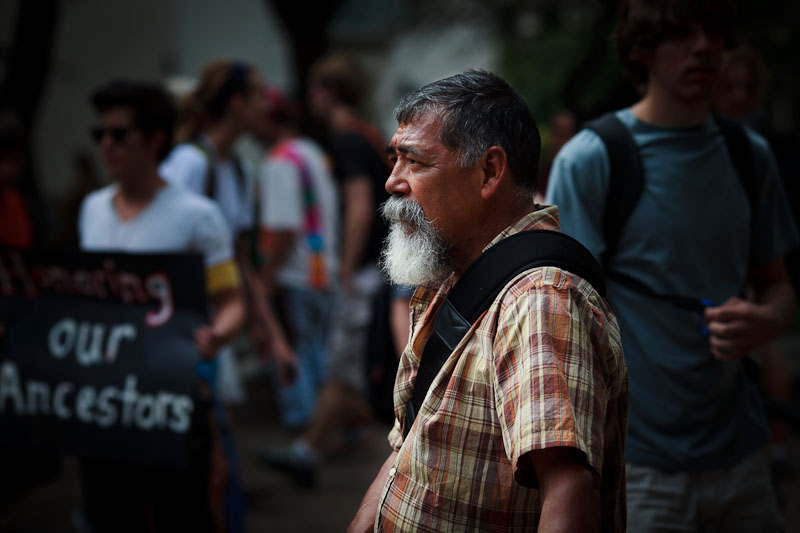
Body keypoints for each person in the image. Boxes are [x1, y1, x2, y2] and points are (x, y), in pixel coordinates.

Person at [546, 1, 799, 531]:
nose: (703, 46)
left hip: (743, 457)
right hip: (638, 468)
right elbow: (562, 325)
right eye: (681, 33)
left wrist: (766, 321)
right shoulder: (592, 160)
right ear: (643, 48)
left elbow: (779, 289)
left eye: (712, 29)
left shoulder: (750, 157)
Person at [348, 70, 628, 532]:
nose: (392, 182)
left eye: (415, 162)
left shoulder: (539, 299)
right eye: (394, 159)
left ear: (489, 171)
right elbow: (409, 448)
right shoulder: (454, 272)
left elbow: (570, 490)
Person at [78, 79, 246, 532]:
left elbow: (231, 302)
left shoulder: (196, 215)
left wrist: (218, 336)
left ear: (154, 139)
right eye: (100, 135)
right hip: (105, 400)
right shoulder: (91, 209)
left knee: (182, 513)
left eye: (118, 134)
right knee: (112, 513)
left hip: (172, 397)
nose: (106, 146)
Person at [258, 54, 394, 486]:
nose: (310, 99)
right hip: (377, 267)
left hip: (366, 271)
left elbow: (358, 208)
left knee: (340, 365)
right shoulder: (364, 135)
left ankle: (306, 451)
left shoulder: (348, 140)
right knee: (348, 366)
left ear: (328, 93)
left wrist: (347, 268)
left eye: (315, 90)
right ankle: (350, 433)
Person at [254, 85, 339, 428]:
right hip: (323, 271)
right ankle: (325, 424)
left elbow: (285, 230)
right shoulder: (312, 153)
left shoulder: (278, 162)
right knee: (319, 352)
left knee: (295, 353)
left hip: (295, 275)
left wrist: (264, 278)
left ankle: (303, 425)